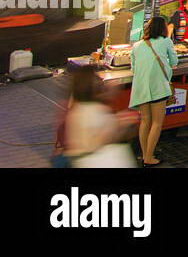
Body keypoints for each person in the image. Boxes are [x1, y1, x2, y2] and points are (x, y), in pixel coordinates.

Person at [128, 14, 177, 166]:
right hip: (158, 87)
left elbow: (133, 68)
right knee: (157, 123)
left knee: (145, 121)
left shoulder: (137, 45)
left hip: (141, 87)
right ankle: (149, 158)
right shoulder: (166, 41)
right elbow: (174, 61)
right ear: (163, 28)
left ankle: (145, 155)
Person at [63, 66, 132, 168]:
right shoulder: (93, 110)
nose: (100, 81)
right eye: (96, 77)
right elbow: (95, 142)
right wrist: (120, 124)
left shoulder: (77, 109)